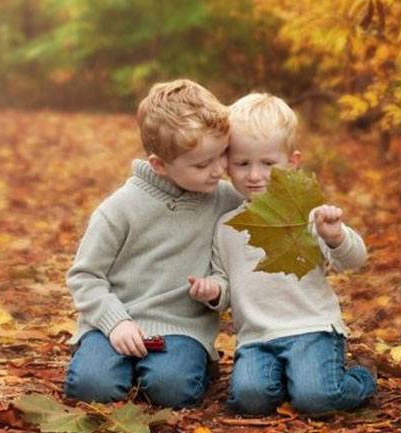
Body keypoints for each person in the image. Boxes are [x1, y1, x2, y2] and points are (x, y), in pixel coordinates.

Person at [190, 92, 376, 415]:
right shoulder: (226, 227)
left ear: (292, 162)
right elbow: (225, 280)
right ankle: (294, 379)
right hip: (256, 337)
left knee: (316, 400)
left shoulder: (307, 214)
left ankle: (363, 377)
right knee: (250, 400)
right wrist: (214, 291)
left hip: (311, 329)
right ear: (226, 163)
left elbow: (355, 259)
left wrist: (335, 236)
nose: (254, 175)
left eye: (268, 163)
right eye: (242, 163)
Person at [63, 79, 244, 408]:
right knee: (91, 388)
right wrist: (114, 321)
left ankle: (185, 369)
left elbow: (236, 269)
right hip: (114, 323)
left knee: (172, 390)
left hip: (181, 327)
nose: (219, 170)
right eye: (203, 164)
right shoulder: (119, 209)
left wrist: (218, 291)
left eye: (223, 155)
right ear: (159, 165)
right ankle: (109, 365)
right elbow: (84, 276)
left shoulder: (226, 202)